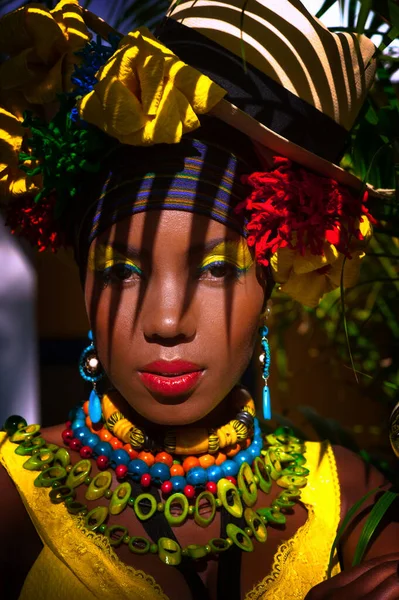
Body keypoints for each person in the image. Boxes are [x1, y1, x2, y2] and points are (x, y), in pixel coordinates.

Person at [0, 1, 398, 599]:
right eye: (121, 272)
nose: (165, 322)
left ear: (271, 283)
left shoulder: (346, 493)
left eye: (215, 269)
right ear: (81, 281)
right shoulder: (12, 494)